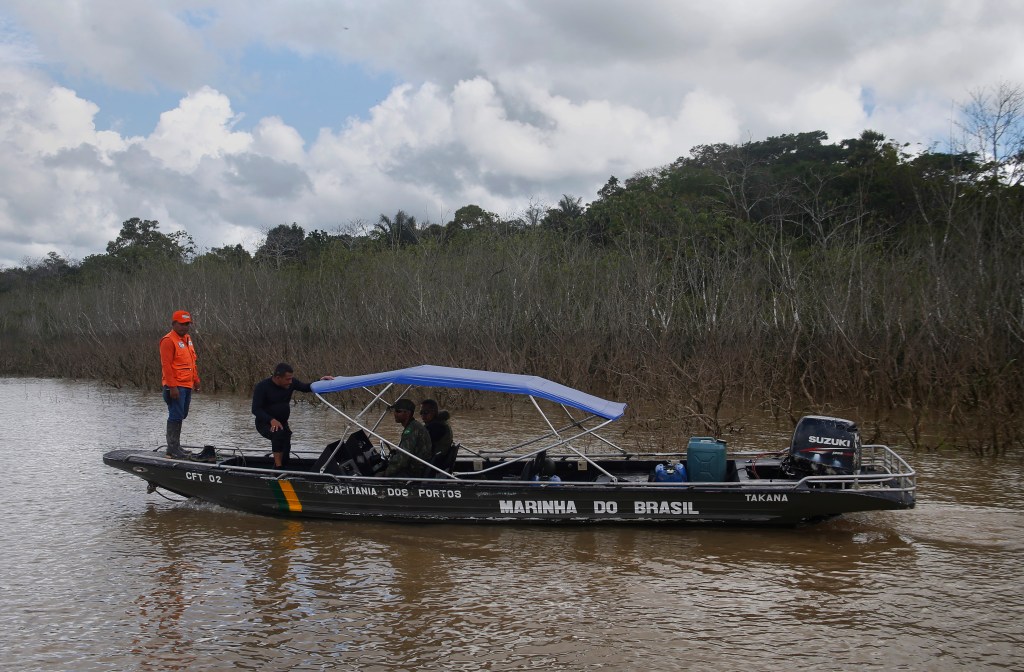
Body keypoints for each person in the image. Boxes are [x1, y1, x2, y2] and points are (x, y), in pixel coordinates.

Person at [252, 363, 334, 469]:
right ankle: (278, 469)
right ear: (277, 378)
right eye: (287, 379)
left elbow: (306, 387)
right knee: (278, 434)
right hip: (264, 423)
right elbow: (255, 409)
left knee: (286, 450)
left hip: (282, 423)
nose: (290, 382)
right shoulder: (262, 387)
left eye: (291, 379)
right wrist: (271, 420)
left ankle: (281, 469)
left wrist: (321, 381)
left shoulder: (291, 383)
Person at [160, 310, 200, 459]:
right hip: (175, 386)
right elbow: (167, 366)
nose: (185, 327)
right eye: (182, 324)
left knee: (182, 414)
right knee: (176, 414)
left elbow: (191, 362)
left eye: (187, 324)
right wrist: (172, 387)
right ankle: (172, 448)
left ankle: (176, 446)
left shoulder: (188, 339)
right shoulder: (168, 340)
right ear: (174, 324)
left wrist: (196, 380)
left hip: (187, 384)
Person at [384, 398, 433, 478]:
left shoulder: (411, 431)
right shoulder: (414, 426)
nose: (395, 414)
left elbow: (402, 460)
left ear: (408, 413)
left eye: (398, 411)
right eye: (394, 411)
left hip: (414, 472)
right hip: (418, 468)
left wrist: (385, 474)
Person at [420, 399, 456, 470]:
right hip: (436, 462)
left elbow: (419, 447)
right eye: (421, 412)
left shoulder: (436, 427)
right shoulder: (440, 423)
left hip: (432, 466)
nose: (423, 416)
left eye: (426, 412)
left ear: (434, 412)